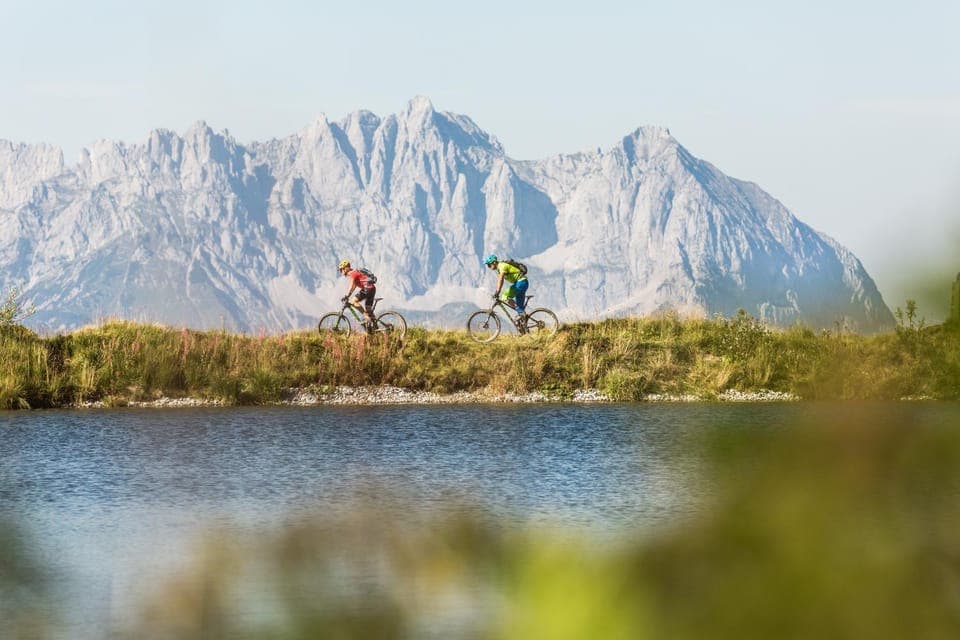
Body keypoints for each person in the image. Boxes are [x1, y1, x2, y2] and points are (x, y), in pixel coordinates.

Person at [483, 254, 528, 319]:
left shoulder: (502, 266)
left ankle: (521, 313)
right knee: (519, 308)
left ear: (494, 262)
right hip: (522, 283)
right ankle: (524, 326)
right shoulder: (500, 268)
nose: (488, 267)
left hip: (521, 282)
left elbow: (500, 279)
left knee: (505, 296)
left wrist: (497, 291)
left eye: (489, 265)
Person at [338, 260, 377, 327]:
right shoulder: (355, 272)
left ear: (345, 268)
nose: (341, 272)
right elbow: (354, 287)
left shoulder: (353, 273)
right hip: (372, 288)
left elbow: (351, 285)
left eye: (341, 270)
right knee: (369, 310)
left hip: (367, 288)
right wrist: (348, 295)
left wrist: (347, 295)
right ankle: (376, 327)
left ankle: (366, 317)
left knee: (353, 301)